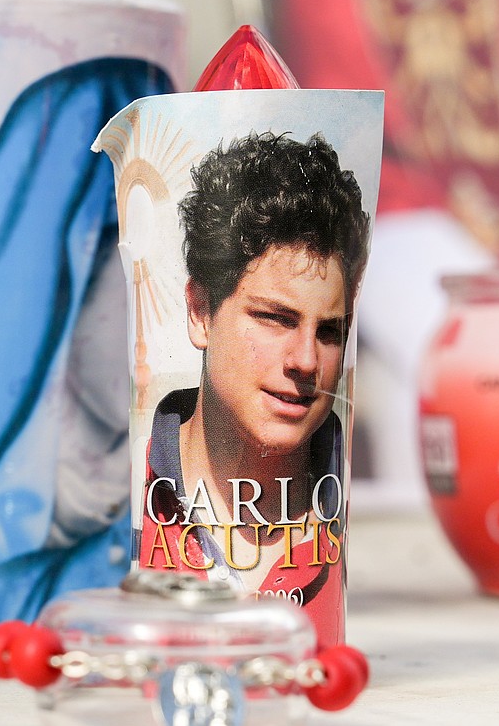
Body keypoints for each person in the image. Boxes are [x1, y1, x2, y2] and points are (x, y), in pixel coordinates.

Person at [140, 132, 369, 646]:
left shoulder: (336, 521)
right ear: (199, 311)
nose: (307, 361)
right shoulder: (126, 495)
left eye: (330, 331)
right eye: (274, 319)